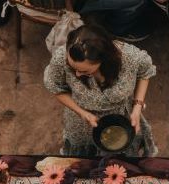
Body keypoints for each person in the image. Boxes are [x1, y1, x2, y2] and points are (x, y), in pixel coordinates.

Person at [44, 24, 158, 157]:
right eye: (72, 67)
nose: (77, 75)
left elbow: (144, 73)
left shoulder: (130, 57)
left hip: (122, 119)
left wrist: (137, 106)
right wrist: (82, 112)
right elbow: (57, 88)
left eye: (84, 71)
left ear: (103, 60)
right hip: (82, 122)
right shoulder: (61, 58)